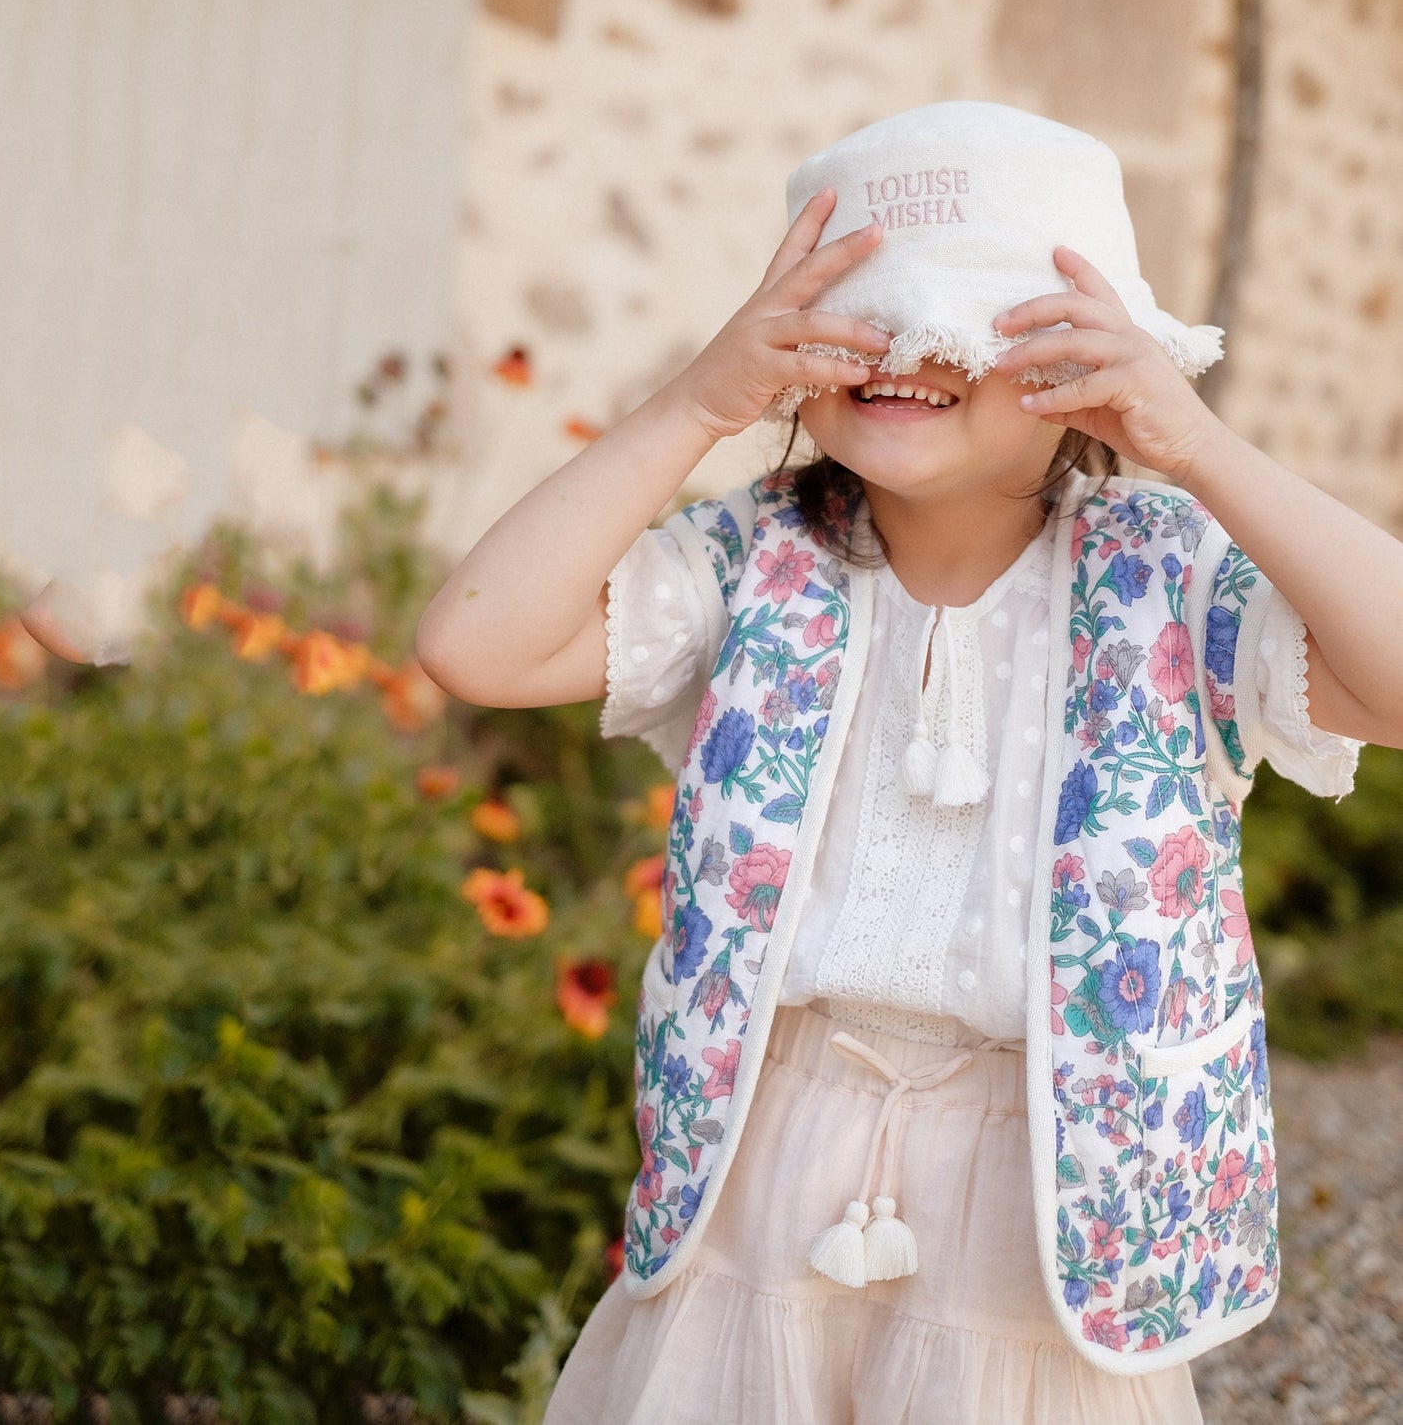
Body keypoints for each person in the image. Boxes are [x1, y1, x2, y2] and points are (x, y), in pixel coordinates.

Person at [418, 101, 1401, 1423]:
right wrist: (695, 404)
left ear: (1093, 363)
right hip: (763, 1168)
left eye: (968, 326)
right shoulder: (750, 561)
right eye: (859, 321)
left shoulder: (1172, 581)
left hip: (1053, 1190)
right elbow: (471, 643)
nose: (905, 354)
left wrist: (1198, 449)